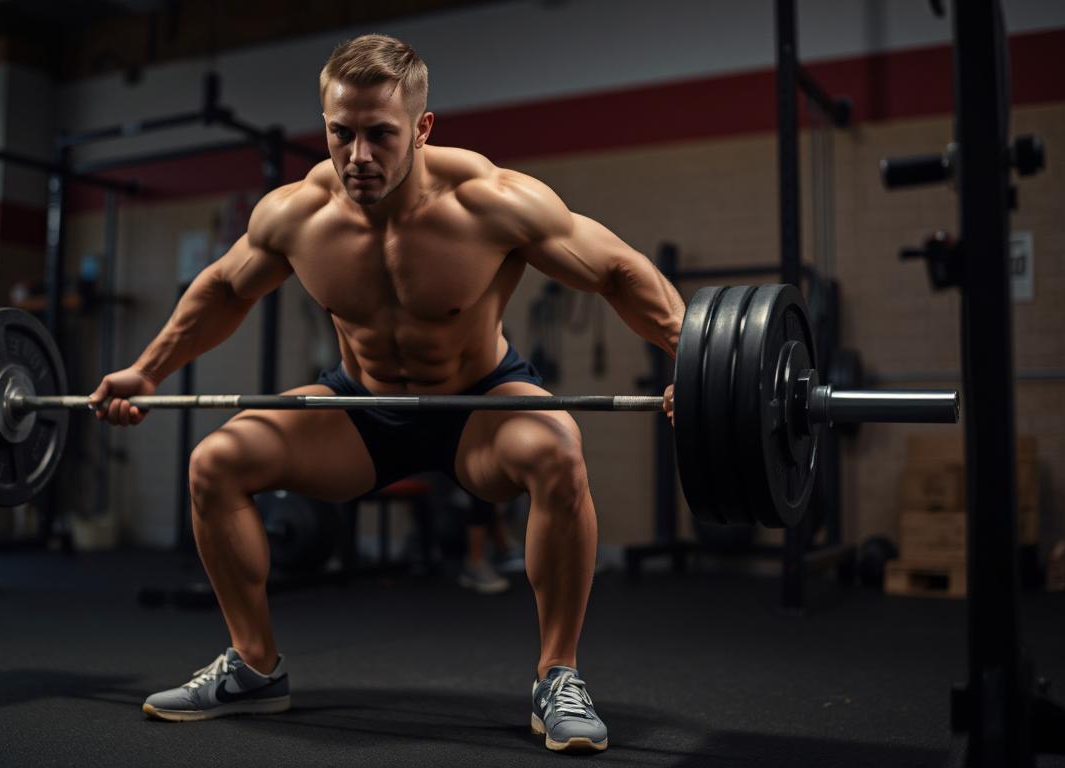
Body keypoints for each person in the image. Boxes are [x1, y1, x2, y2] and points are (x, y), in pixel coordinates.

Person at [90, 33, 684, 754]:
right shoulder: (296, 215)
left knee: (559, 450)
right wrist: (147, 372)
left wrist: (699, 363)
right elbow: (221, 288)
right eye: (342, 134)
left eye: (380, 135)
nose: (358, 156)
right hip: (363, 408)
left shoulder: (491, 203)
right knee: (216, 462)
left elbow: (618, 271)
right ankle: (253, 666)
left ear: (423, 129)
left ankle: (557, 675)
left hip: (478, 406)